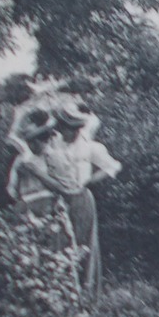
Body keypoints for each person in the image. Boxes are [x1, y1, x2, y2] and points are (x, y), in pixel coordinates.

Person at [40, 98, 122, 302]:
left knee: (82, 240)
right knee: (58, 239)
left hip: (81, 197)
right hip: (57, 196)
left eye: (76, 128)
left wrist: (90, 181)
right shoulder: (53, 143)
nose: (71, 132)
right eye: (67, 128)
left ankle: (85, 291)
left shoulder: (89, 146)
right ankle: (59, 290)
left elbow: (113, 166)